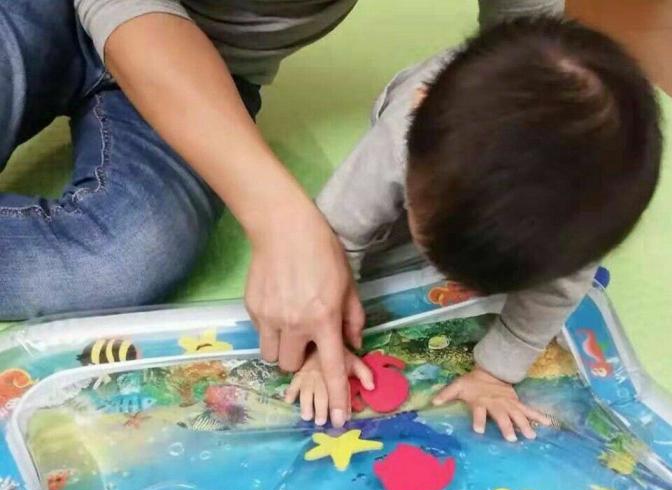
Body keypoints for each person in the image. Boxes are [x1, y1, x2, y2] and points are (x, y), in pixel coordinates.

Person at [0, 0, 564, 429]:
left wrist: (496, 371)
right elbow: (346, 227)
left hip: (209, 70)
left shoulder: (563, 184)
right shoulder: (402, 138)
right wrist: (286, 226)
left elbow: (530, 45)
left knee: (124, 256)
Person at [285, 17, 662, 441]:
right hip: (410, 124)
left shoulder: (588, 210)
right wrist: (323, 346)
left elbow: (557, 291)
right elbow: (334, 235)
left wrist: (495, 373)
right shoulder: (402, 134)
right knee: (363, 231)